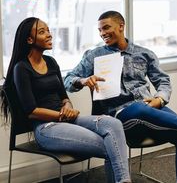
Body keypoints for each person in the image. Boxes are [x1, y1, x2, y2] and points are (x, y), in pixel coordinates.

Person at [64, 10, 177, 183]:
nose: (102, 33)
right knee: (139, 108)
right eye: (99, 30)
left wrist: (159, 99)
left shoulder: (144, 53)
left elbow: (163, 81)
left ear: (121, 26)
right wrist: (83, 80)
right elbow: (68, 80)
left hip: (150, 110)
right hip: (118, 117)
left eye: (106, 28)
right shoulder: (94, 55)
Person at [0, 17, 131, 183]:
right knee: (112, 146)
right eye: (42, 32)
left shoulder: (51, 62)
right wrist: (62, 115)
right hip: (47, 127)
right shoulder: (22, 68)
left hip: (68, 119)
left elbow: (64, 97)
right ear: (29, 39)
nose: (49, 35)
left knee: (113, 124)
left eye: (48, 30)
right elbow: (31, 112)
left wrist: (68, 106)